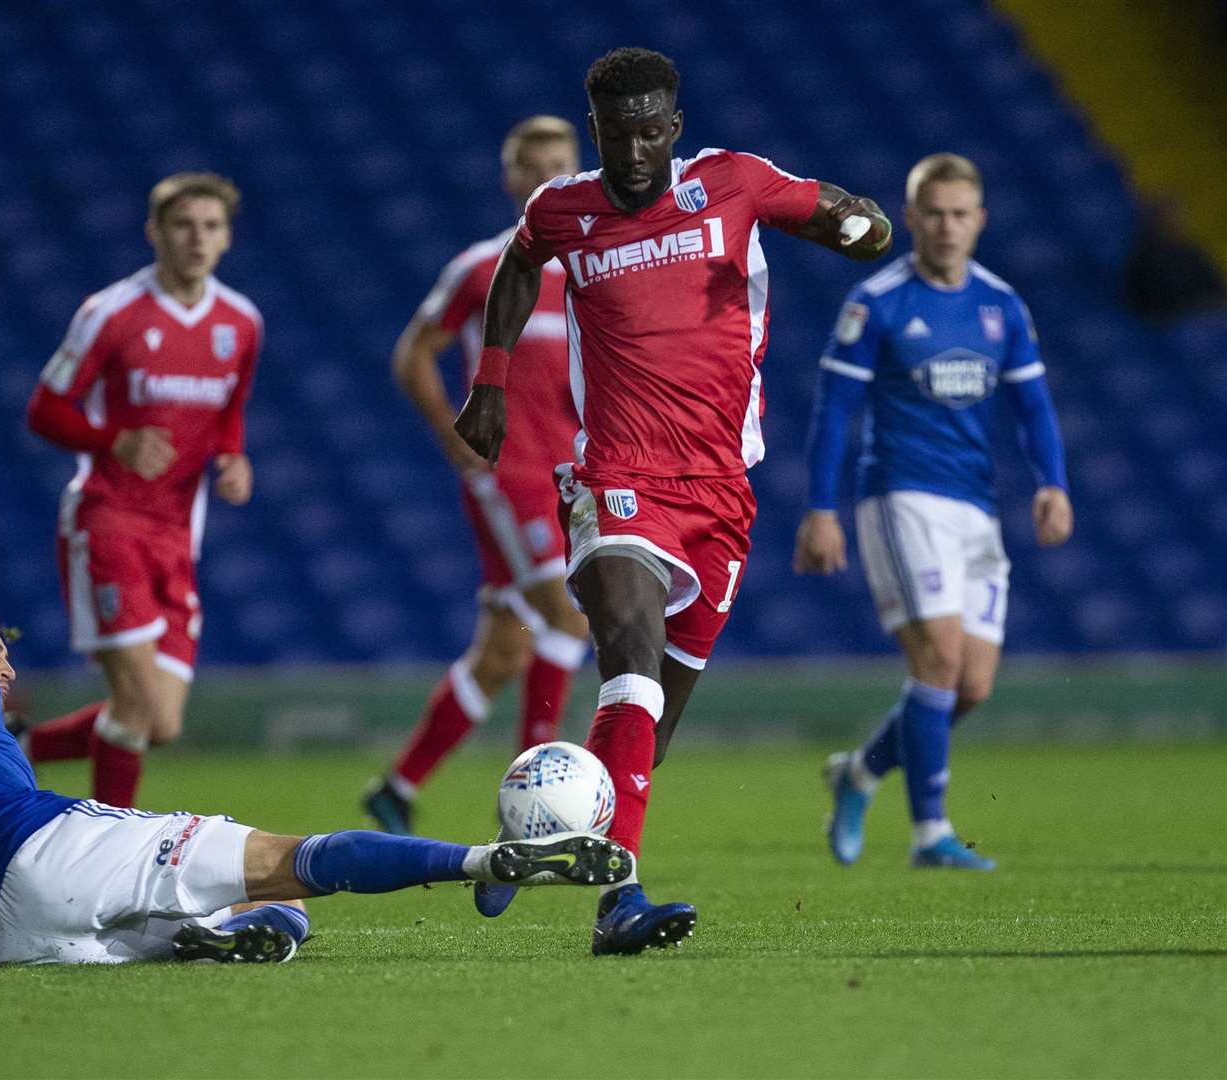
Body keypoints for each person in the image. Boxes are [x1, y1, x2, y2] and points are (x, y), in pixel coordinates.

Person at [453, 47, 894, 954]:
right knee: (631, 663)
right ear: (597, 131)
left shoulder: (732, 184)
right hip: (617, 476)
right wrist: (491, 382)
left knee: (653, 723)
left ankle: (527, 844)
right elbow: (517, 265)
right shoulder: (562, 209)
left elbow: (857, 222)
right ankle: (620, 901)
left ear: (675, 126)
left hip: (722, 491)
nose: (637, 149)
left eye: (652, 130)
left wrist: (863, 229)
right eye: (619, 133)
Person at [0, 606, 632, 969]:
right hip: (46, 852)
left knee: (263, 926)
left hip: (5, 944)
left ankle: (199, 942)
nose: (3, 668)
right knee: (289, 862)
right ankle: (486, 859)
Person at [793, 153, 1073, 870]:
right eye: (934, 214)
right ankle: (931, 835)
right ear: (912, 218)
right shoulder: (878, 302)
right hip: (901, 495)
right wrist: (820, 509)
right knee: (939, 660)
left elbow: (1034, 404)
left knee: (969, 686)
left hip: (975, 506)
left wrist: (1053, 482)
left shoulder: (1001, 304)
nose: (947, 227)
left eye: (960, 214)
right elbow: (834, 413)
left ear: (979, 220)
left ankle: (858, 771)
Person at [362, 117, 590, 834]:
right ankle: (537, 803)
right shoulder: (484, 268)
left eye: (562, 163)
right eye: (534, 166)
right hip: (510, 473)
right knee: (570, 615)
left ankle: (396, 788)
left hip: (571, 476)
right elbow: (413, 354)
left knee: (504, 650)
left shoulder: (590, 272)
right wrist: (453, 434)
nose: (549, 176)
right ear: (512, 180)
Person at [22, 173, 262, 809]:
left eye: (211, 227)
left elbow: (229, 408)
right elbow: (45, 409)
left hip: (177, 533)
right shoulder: (111, 313)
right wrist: (114, 440)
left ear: (227, 237)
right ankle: (115, 844)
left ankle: (15, 750)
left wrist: (233, 456)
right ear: (155, 231)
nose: (197, 239)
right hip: (109, 521)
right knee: (134, 705)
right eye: (184, 225)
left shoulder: (240, 323)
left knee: (162, 723)